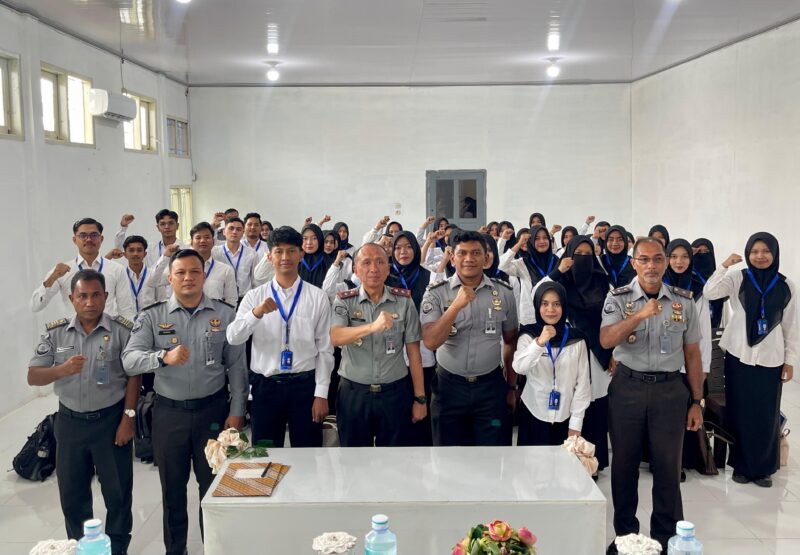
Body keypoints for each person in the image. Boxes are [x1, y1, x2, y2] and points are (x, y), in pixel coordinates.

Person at [122, 249, 247, 555]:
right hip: (170, 415)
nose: (188, 278)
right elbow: (129, 360)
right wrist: (161, 356)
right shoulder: (152, 316)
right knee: (173, 491)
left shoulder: (225, 314)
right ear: (170, 278)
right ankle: (175, 550)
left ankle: (216, 548)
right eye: (181, 273)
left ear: (204, 276)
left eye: (194, 272)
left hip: (213, 413)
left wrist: (238, 411)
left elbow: (237, 366)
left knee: (215, 489)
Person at [600, 237, 704, 553]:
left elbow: (693, 354)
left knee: (668, 467)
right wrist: (640, 315)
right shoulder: (618, 298)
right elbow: (606, 340)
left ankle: (664, 538)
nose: (651, 266)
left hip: (670, 391)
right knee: (624, 466)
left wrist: (697, 401)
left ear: (666, 262)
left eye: (658, 259)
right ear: (634, 263)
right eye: (643, 260)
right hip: (627, 388)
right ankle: (626, 537)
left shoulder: (684, 302)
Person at [29, 269, 140, 555]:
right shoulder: (55, 331)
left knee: (117, 494)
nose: (89, 302)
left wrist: (128, 419)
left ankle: (117, 549)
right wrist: (62, 370)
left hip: (111, 421)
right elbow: (34, 376)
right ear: (72, 299)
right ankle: (80, 549)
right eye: (82, 296)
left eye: (95, 295)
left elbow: (134, 376)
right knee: (73, 496)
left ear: (105, 296)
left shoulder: (122, 330)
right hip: (69, 423)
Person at [227, 226, 334, 448]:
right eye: (278, 251)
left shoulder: (317, 297)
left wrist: (321, 393)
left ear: (301, 254)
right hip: (266, 388)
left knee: (308, 455)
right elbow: (233, 337)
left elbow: (325, 349)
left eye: (291, 251)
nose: (285, 257)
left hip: (304, 387)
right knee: (266, 455)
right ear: (269, 256)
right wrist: (256, 314)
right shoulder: (254, 297)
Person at [703, 232, 796, 488]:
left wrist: (790, 360)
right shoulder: (738, 278)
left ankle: (763, 469)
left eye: (766, 251)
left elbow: (791, 327)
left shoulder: (786, 286)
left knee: (766, 414)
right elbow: (709, 292)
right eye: (755, 251)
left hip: (771, 359)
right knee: (740, 412)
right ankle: (741, 466)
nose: (760, 256)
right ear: (747, 253)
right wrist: (723, 266)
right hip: (738, 356)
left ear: (774, 254)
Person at [421, 231, 518, 446]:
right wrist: (455, 306)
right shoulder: (436, 293)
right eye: (462, 253)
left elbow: (511, 341)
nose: (469, 259)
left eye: (476, 253)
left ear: (487, 258)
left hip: (490, 389)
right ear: (452, 258)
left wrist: (511, 386)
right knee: (448, 459)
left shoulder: (503, 293)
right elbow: (431, 342)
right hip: (449, 388)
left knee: (492, 456)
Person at [331, 243, 427, 446]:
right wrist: (372, 327)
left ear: (388, 267)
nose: (373, 269)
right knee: (354, 460)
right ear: (356, 270)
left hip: (395, 393)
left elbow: (414, 354)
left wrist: (420, 398)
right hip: (354, 394)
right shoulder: (345, 301)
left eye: (380, 262)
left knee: (396, 462)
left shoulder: (403, 301)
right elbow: (336, 336)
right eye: (366, 263)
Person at [547, 236, 614, 471]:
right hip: (568, 353)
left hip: (598, 355)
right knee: (571, 405)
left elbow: (616, 320)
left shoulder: (604, 283)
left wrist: (615, 354)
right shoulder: (561, 284)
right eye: (578, 255)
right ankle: (568, 459)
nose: (583, 259)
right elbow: (540, 294)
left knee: (595, 408)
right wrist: (557, 271)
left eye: (588, 255)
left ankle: (592, 463)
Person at [513, 282, 590, 445]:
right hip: (533, 413)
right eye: (545, 304)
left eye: (556, 304)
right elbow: (519, 367)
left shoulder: (577, 338)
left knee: (561, 468)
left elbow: (582, 384)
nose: (551, 310)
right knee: (532, 467)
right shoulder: (528, 335)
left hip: (566, 416)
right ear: (537, 306)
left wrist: (576, 423)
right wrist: (539, 343)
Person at [665, 238, 712, 476]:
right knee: (666, 416)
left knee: (687, 411)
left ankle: (684, 461)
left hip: (689, 362)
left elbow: (703, 331)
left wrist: (703, 368)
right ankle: (665, 462)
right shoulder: (657, 286)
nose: (679, 262)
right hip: (664, 362)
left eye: (684, 257)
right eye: (674, 257)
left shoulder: (698, 289)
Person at [386, 231, 438, 445]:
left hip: (423, 354)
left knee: (421, 411)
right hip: (392, 356)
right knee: (397, 416)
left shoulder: (429, 277)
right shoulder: (385, 277)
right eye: (398, 247)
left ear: (416, 250)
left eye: (408, 247)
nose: (403, 252)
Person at [32, 218, 136, 320]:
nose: (89, 239)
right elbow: (36, 306)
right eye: (83, 235)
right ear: (74, 240)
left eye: (94, 235)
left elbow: (126, 311)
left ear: (101, 239)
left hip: (107, 334)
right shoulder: (61, 271)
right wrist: (52, 277)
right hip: (73, 334)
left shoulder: (117, 269)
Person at [211, 217, 258, 300]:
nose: (234, 232)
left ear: (243, 233)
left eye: (238, 229)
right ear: (224, 232)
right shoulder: (215, 252)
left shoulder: (251, 253)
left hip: (244, 299)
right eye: (231, 228)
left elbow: (255, 280)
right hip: (221, 299)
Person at [691, 237, 727, 328]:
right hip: (690, 329)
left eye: (706, 251)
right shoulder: (686, 278)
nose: (702, 255)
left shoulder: (718, 278)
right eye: (699, 252)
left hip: (714, 331)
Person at [122, 235, 156, 313]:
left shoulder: (153, 274)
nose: (135, 254)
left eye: (139, 250)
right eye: (131, 250)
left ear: (145, 254)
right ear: (125, 254)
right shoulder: (120, 276)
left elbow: (162, 301)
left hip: (151, 322)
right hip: (127, 322)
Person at [299, 224, 334, 288]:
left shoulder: (329, 263)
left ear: (320, 240)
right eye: (305, 238)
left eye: (314, 238)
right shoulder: (295, 261)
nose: (309, 242)